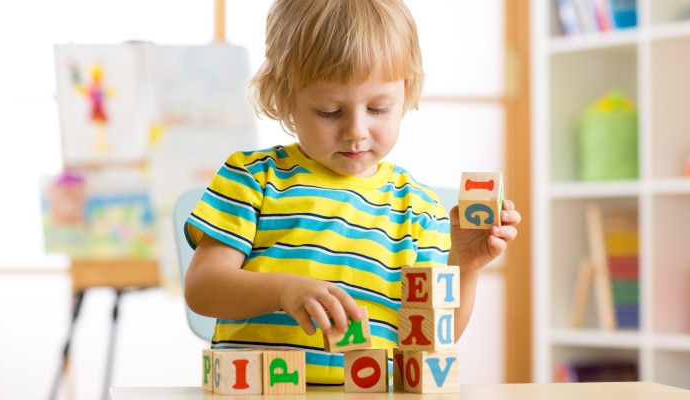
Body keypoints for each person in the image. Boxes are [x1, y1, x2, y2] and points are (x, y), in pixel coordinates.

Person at [183, 0, 521, 385]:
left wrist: (465, 266)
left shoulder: (419, 208)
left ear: (406, 93)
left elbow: (431, 340)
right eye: (329, 111)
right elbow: (202, 287)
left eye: (378, 108)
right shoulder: (254, 179)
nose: (356, 130)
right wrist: (283, 290)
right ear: (283, 96)